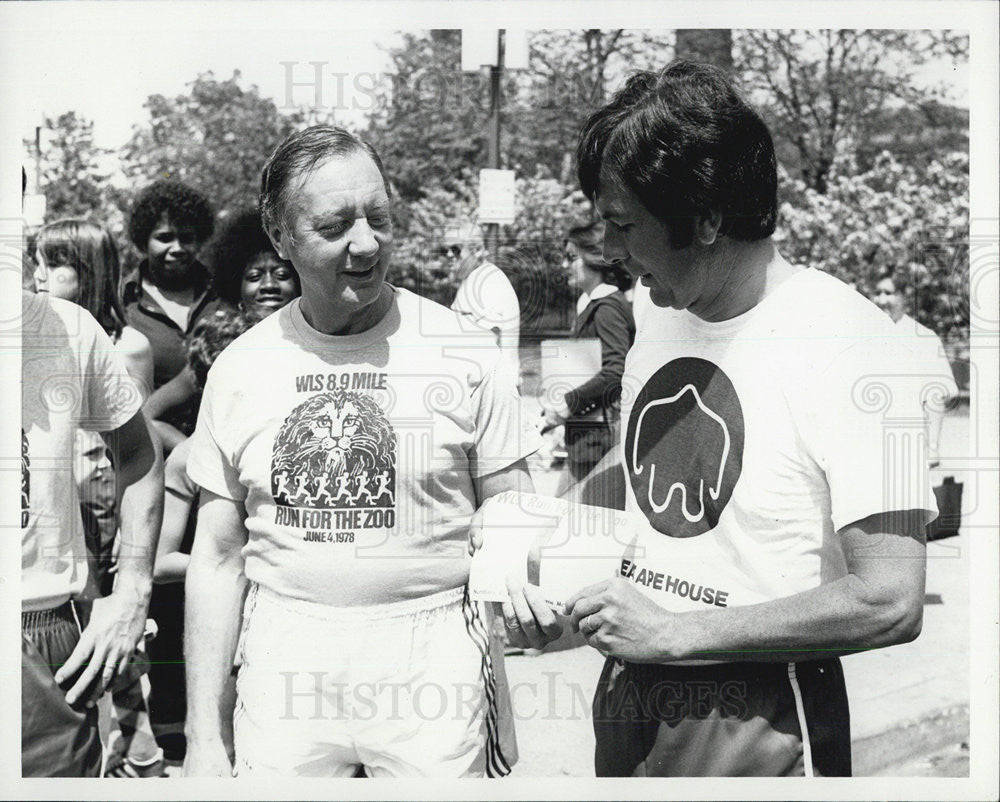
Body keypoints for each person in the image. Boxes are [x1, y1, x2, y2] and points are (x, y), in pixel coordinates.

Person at [563, 61, 937, 777]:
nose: (610, 251)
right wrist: (541, 542)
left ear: (704, 219)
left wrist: (677, 635)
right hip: (632, 696)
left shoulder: (859, 346)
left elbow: (892, 598)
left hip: (762, 716)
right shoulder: (656, 312)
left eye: (622, 224)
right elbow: (648, 469)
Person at [182, 125, 559, 778]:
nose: (365, 244)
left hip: (433, 657)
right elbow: (216, 561)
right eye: (334, 226)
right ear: (280, 236)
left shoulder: (462, 352)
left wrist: (523, 574)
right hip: (284, 657)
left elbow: (512, 505)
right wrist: (204, 739)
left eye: (378, 218)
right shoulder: (241, 370)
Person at [33, 218, 162, 777]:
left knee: (115, 656)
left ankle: (141, 755)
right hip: (74, 505)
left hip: (92, 521)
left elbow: (138, 444)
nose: (42, 273)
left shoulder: (94, 337)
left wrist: (131, 590)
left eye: (56, 261)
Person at [147, 309, 259, 763]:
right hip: (227, 631)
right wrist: (243, 565)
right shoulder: (188, 459)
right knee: (224, 746)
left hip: (288, 628)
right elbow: (159, 561)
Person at [143, 207, 301, 427]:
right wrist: (188, 449)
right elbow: (148, 415)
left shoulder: (318, 340)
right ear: (236, 288)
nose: (269, 286)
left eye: (282, 275)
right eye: (254, 276)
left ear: (300, 284)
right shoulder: (219, 345)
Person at [122, 179, 221, 451]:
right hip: (150, 455)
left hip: (224, 449)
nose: (177, 248)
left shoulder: (224, 294)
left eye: (187, 238)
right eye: (165, 238)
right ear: (144, 241)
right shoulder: (123, 304)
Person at [542, 220, 635, 501]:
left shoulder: (607, 307)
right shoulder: (594, 304)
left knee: (570, 519)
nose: (566, 266)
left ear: (595, 259)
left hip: (600, 438)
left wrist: (568, 404)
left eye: (572, 258)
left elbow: (616, 371)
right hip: (587, 436)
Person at [872, 272, 959, 467]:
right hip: (868, 445)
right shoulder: (862, 336)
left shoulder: (923, 338)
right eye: (877, 292)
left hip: (909, 445)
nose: (881, 299)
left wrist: (933, 447)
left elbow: (937, 393)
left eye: (889, 292)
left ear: (904, 297)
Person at [442, 222, 522, 382]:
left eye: (456, 249)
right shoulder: (475, 279)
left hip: (492, 388)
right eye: (445, 250)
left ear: (477, 250)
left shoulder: (487, 281)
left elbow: (484, 346)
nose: (449, 255)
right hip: (486, 385)